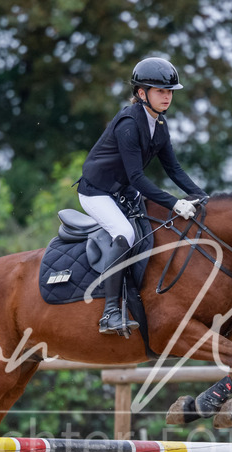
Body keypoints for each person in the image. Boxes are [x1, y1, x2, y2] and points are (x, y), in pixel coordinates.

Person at [78, 57, 208, 335]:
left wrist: (201, 196)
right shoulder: (129, 123)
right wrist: (175, 202)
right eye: (161, 91)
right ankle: (110, 312)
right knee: (125, 232)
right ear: (141, 93)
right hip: (96, 193)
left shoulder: (159, 124)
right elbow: (137, 177)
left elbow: (173, 168)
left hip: (122, 191)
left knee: (156, 226)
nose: (167, 96)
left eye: (170, 91)